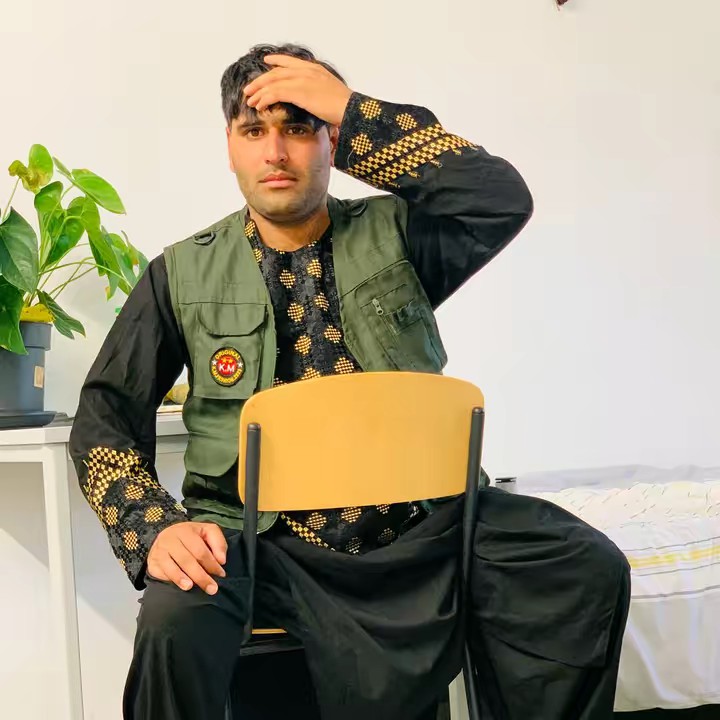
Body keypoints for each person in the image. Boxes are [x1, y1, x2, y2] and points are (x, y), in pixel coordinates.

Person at [70, 43, 630, 720]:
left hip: (423, 528)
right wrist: (155, 528)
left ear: (332, 140)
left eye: (299, 127)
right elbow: (103, 419)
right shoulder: (180, 274)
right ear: (230, 147)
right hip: (262, 546)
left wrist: (351, 107)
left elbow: (498, 198)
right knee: (172, 618)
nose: (276, 151)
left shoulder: (401, 236)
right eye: (254, 130)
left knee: (584, 569)